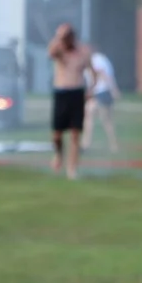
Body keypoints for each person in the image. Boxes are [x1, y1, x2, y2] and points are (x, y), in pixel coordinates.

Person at [47, 23, 95, 180]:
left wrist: (90, 90)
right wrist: (58, 35)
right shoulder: (59, 49)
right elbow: (51, 53)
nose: (65, 41)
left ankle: (72, 169)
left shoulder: (83, 51)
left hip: (77, 92)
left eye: (67, 37)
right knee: (57, 134)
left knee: (75, 133)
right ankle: (58, 155)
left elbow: (92, 72)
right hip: (61, 91)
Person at [82, 44, 121, 153]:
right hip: (101, 92)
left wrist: (113, 89)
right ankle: (112, 144)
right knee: (99, 118)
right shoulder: (99, 59)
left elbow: (103, 74)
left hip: (101, 92)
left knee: (98, 118)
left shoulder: (96, 59)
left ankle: (87, 144)